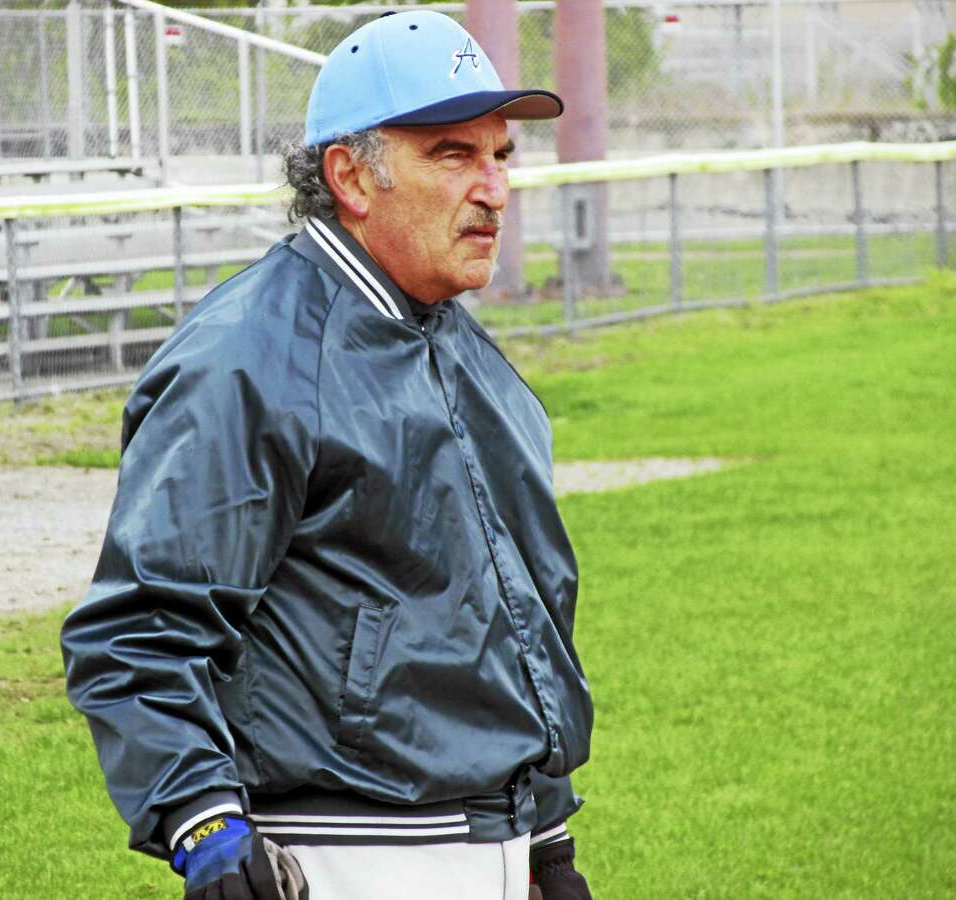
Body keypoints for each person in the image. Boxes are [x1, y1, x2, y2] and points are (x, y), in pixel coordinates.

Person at [61, 11, 593, 900]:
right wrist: (203, 824)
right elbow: (140, 631)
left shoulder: (464, 351)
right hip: (346, 854)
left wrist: (547, 832)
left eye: (502, 156)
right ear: (350, 175)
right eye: (454, 155)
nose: (495, 189)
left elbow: (514, 618)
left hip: (491, 845)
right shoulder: (247, 359)